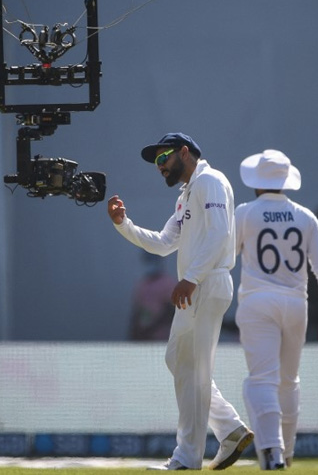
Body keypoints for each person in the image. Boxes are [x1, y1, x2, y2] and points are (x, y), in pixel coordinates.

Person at [107, 133, 253, 470]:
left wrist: (191, 278)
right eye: (156, 162)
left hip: (207, 282)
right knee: (180, 361)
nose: (159, 167)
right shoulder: (186, 195)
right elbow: (162, 243)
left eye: (163, 159)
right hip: (198, 285)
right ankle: (230, 428)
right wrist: (123, 224)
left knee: (194, 370)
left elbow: (218, 234)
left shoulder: (210, 181)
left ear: (184, 153)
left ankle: (187, 458)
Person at [234, 149, 318, 470]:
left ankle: (272, 452)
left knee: (260, 382)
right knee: (289, 381)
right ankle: (288, 454)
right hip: (297, 303)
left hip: (257, 301)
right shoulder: (305, 216)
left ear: (255, 182)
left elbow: (225, 258)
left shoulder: (245, 212)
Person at [129, 253, 176, 341]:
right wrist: (135, 333)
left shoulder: (168, 283)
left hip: (162, 337)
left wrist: (152, 328)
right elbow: (137, 311)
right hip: (144, 338)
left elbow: (171, 311)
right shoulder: (142, 284)